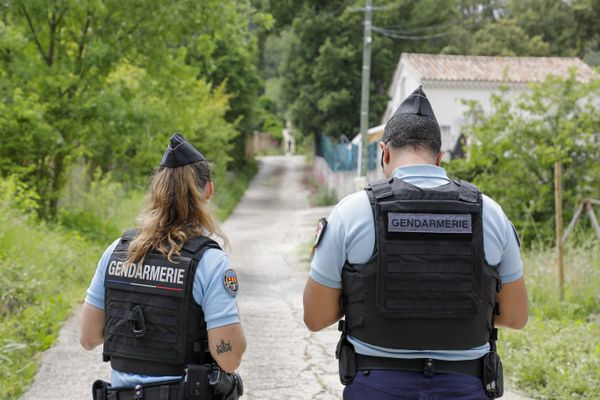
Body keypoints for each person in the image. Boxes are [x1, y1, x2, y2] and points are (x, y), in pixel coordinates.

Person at [303, 87, 528, 400]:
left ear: (384, 152)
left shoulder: (352, 211)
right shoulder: (490, 212)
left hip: (377, 383)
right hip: (465, 384)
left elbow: (315, 317)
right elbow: (516, 316)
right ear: (439, 158)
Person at [80, 133, 246, 400]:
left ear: (156, 190)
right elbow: (229, 359)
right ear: (209, 190)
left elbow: (88, 338)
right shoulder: (210, 263)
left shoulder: (117, 251)